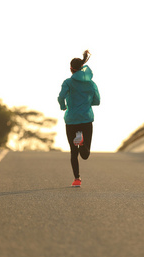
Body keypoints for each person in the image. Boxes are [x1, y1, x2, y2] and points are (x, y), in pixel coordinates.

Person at [58, 50, 100, 187]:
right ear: (82, 69)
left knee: (73, 151)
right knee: (85, 154)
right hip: (86, 119)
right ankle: (82, 143)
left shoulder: (68, 82)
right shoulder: (91, 84)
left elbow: (60, 97)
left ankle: (77, 179)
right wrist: (87, 104)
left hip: (71, 120)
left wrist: (63, 106)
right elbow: (97, 101)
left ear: (71, 69)